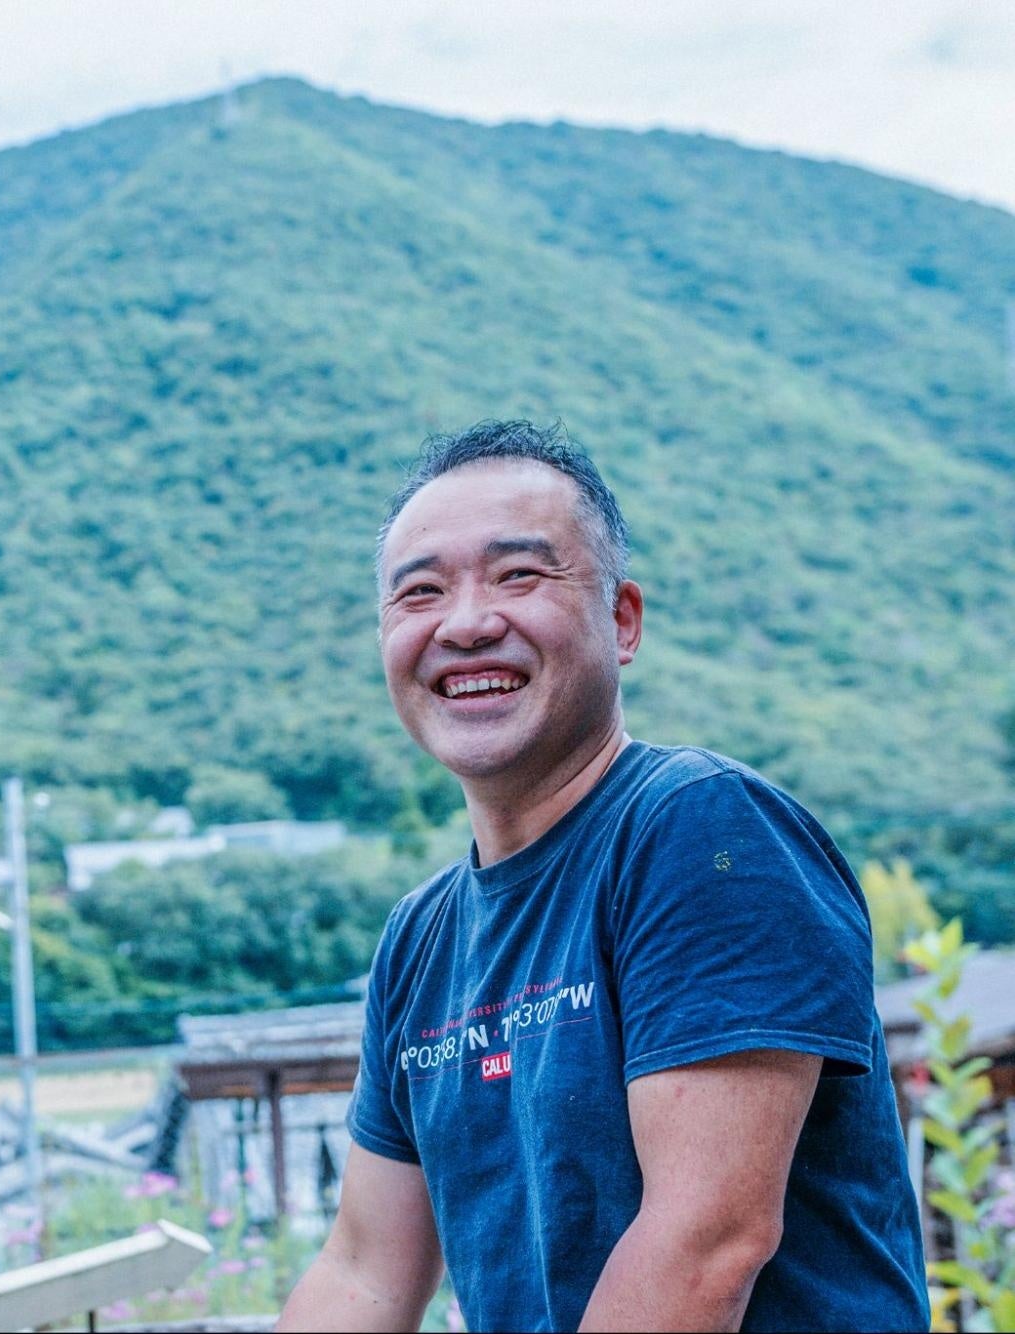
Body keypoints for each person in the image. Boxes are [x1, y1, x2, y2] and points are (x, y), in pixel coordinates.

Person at [278, 421, 927, 1332]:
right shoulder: (421, 938)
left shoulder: (703, 833)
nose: (465, 623)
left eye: (517, 576)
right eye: (420, 592)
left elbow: (704, 1246)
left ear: (621, 621)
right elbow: (364, 1271)